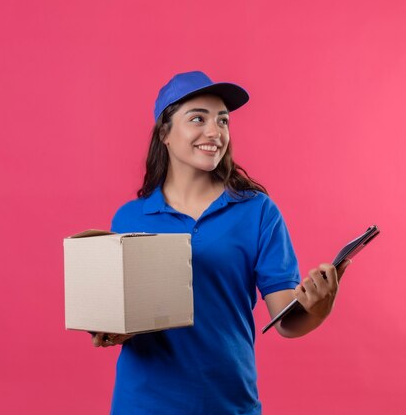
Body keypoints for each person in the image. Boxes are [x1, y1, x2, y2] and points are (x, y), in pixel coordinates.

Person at [91, 71, 350, 414]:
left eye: (223, 121)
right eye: (198, 118)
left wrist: (318, 309)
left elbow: (286, 319)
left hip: (228, 403)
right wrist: (110, 330)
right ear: (164, 133)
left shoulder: (257, 211)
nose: (214, 132)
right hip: (144, 403)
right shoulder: (129, 219)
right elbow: (121, 316)